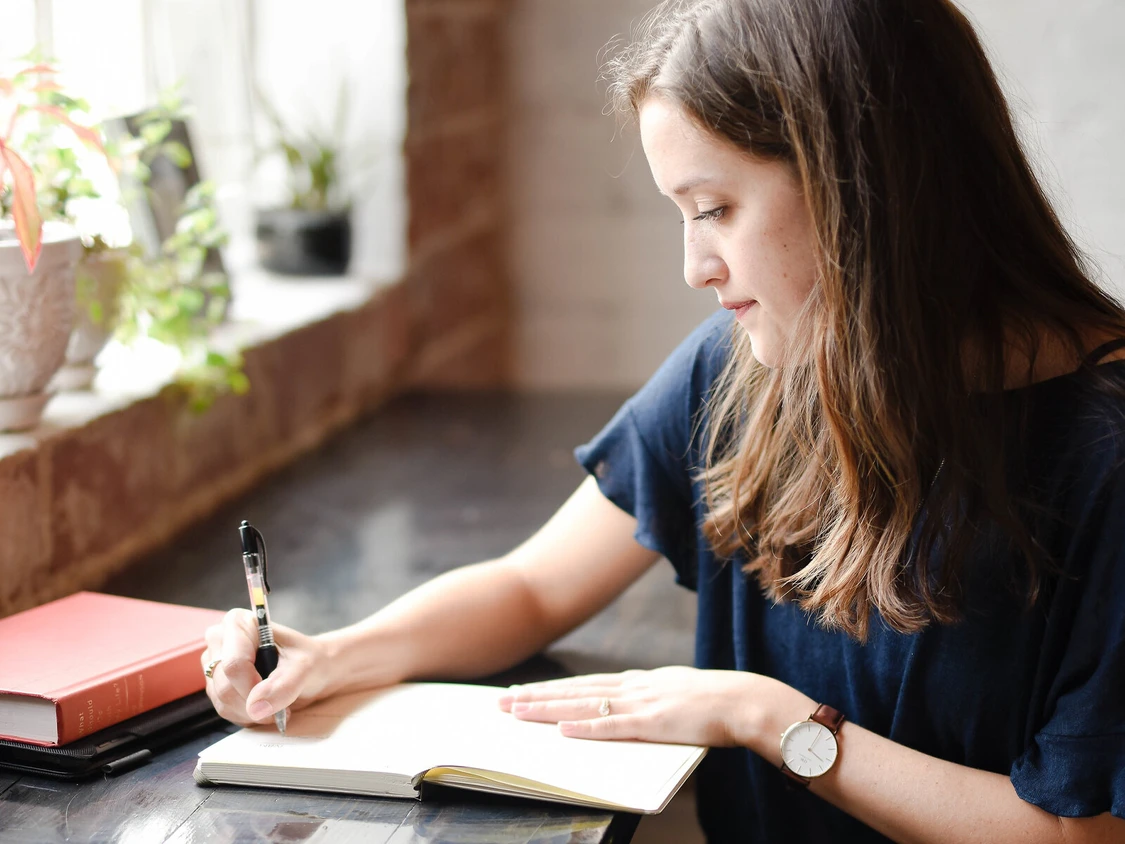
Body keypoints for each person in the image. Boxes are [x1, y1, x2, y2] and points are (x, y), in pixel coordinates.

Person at [203, 1, 1125, 841]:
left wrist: (768, 720)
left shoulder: (1106, 458)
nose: (696, 267)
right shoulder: (749, 369)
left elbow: (1074, 837)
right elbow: (532, 587)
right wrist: (332, 657)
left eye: (716, 209)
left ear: (863, 183)